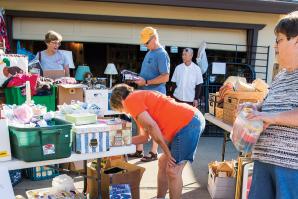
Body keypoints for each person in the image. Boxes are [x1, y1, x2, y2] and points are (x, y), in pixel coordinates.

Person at [239, 11, 298, 199]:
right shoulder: (281, 76)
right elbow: (268, 104)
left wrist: (272, 118)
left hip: (290, 167)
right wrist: (255, 108)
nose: (275, 45)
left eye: (280, 40)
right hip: (263, 160)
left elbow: (273, 115)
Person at [110, 83, 205, 199]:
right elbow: (145, 137)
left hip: (188, 122)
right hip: (189, 120)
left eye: (120, 109)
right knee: (163, 162)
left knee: (173, 171)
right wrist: (119, 142)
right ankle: (160, 197)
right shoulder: (138, 99)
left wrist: (167, 151)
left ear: (120, 100)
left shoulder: (131, 100)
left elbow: (152, 126)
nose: (124, 112)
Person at [130, 26, 170, 162]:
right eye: (144, 43)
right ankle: (139, 150)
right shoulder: (150, 52)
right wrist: (137, 79)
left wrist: (146, 82)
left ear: (154, 38)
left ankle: (153, 152)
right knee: (140, 122)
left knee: (154, 124)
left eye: (147, 42)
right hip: (145, 94)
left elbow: (165, 77)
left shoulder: (161, 54)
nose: (145, 45)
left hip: (155, 95)